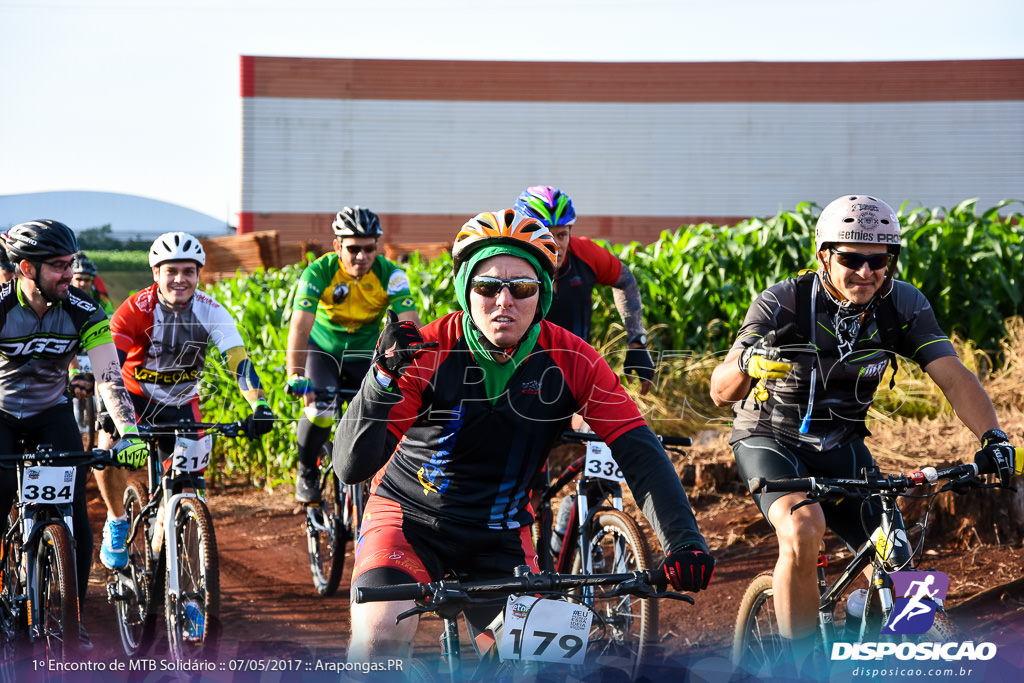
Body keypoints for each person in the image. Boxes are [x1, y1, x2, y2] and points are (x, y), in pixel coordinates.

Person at [335, 209, 714, 661]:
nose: (504, 301)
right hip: (409, 522)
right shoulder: (426, 350)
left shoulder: (574, 359)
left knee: (538, 664)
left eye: (522, 287)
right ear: (465, 291)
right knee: (379, 643)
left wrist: (683, 538)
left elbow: (637, 448)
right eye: (487, 286)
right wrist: (379, 381)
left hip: (500, 536)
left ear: (543, 295)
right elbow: (351, 466)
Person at [708, 194, 1021, 668]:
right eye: (851, 258)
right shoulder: (785, 302)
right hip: (772, 439)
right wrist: (749, 363)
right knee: (803, 526)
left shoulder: (901, 304)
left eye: (879, 260)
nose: (866, 271)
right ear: (823, 256)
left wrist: (993, 438)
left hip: (842, 442)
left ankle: (886, 647)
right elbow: (719, 389)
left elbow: (954, 376)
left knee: (895, 554)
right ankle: (802, 668)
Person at [0, 219, 149, 649]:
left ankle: (72, 615)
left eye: (70, 264)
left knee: (74, 517)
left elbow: (108, 378)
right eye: (59, 267)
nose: (71, 274)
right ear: (27, 269)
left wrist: (128, 432)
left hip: (51, 412)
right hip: (2, 413)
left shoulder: (84, 309)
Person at [94, 231, 275, 570]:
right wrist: (107, 410)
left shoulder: (211, 310)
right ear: (156, 274)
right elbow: (109, 367)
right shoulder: (135, 309)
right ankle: (117, 521)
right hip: (134, 400)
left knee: (189, 496)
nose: (180, 279)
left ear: (198, 274)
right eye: (171, 271)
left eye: (188, 271)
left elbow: (239, 362)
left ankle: (188, 583)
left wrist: (259, 405)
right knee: (105, 449)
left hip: (181, 406)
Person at [285, 206, 422, 504]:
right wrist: (295, 374)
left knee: (378, 411)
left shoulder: (391, 274)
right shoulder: (319, 271)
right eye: (353, 248)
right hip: (323, 350)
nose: (362, 256)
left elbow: (410, 323)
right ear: (337, 246)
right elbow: (300, 326)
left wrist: (415, 366)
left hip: (364, 353)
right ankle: (307, 470)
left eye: (369, 248)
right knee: (320, 409)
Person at [514, 185, 655, 395]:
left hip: (576, 374)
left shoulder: (584, 254)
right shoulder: (507, 264)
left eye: (562, 235)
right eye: (544, 235)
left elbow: (626, 281)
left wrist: (637, 343)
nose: (555, 245)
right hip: (519, 376)